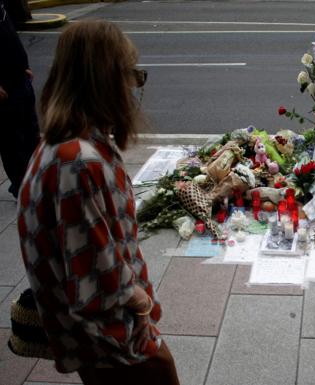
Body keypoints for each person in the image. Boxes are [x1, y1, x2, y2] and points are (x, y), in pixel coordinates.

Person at [16, 20, 179, 385]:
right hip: (109, 344)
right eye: (130, 75)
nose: (134, 88)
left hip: (98, 340)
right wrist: (143, 316)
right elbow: (98, 287)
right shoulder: (79, 162)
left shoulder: (70, 146)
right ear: (106, 81)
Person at [0, 0, 40, 198]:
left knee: (31, 133)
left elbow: (9, 35)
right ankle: (22, 188)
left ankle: (35, 180)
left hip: (19, 78)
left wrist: (22, 64)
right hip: (5, 89)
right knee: (12, 141)